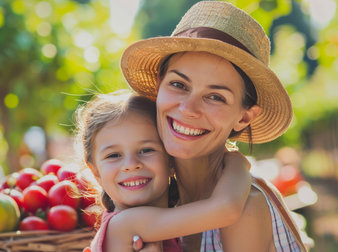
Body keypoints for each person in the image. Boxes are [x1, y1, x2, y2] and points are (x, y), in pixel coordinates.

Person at [120, 1, 309, 251]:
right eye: (178, 85)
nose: (188, 108)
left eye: (216, 97)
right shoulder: (152, 199)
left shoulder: (246, 208)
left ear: (243, 118)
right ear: (158, 88)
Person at [75, 90, 252, 252]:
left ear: (171, 159)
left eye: (146, 150)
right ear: (95, 171)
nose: (131, 164)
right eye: (113, 155)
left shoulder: (172, 225)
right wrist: (238, 163)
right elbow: (227, 209)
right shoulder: (124, 225)